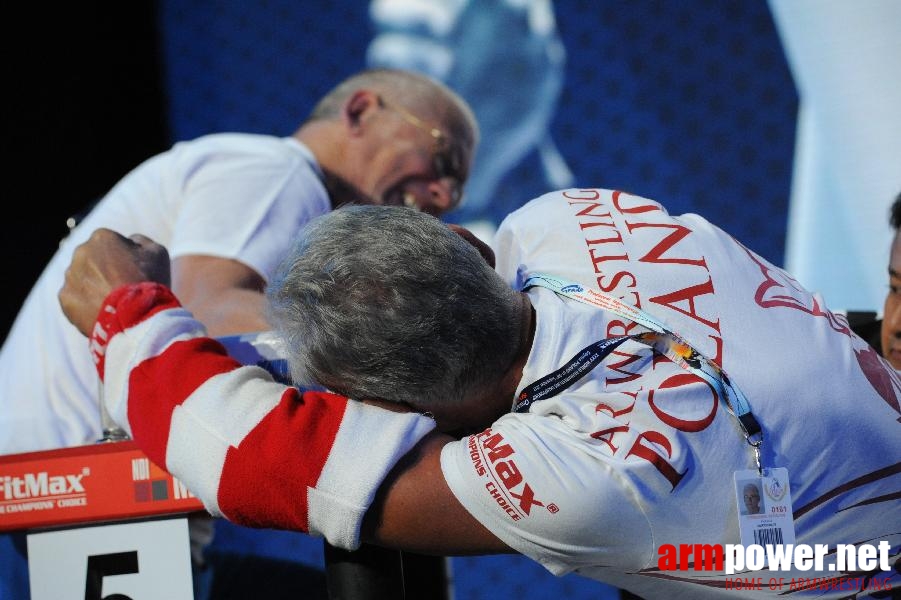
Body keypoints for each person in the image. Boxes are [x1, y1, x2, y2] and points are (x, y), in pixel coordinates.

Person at [59, 190, 900, 599]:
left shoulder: (584, 482)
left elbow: (254, 462)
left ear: (389, 406)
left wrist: (124, 315)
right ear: (463, 244)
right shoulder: (571, 215)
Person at [0, 67, 476, 597]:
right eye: (441, 158)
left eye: (456, 185)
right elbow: (215, 308)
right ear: (362, 110)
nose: (444, 193)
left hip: (71, 496)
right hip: (67, 505)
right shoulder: (275, 170)